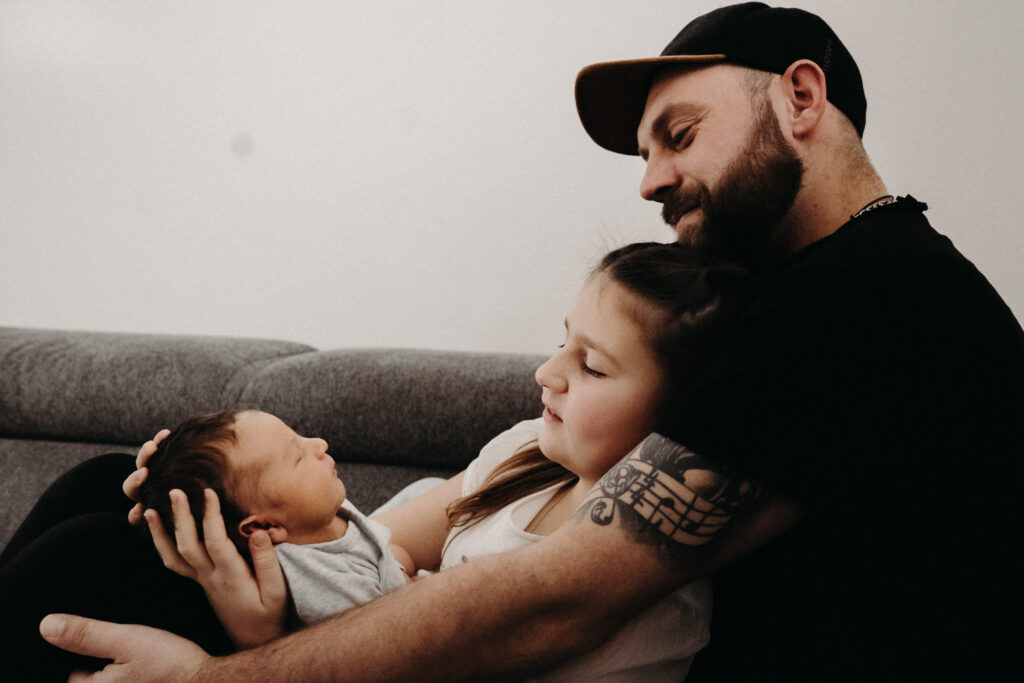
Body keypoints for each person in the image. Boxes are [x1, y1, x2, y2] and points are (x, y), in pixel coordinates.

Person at [29, 2, 1024, 680]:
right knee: (104, 486)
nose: (647, 182)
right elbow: (442, 525)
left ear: (800, 99)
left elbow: (557, 595)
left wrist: (226, 676)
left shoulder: (869, 296)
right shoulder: (822, 291)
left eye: (677, 135)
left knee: (95, 555)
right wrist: (219, 472)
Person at [4, 242, 753, 681]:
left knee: (93, 551)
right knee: (109, 481)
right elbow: (370, 541)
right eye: (562, 340)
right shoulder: (526, 451)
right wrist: (213, 496)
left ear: (678, 418)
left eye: (590, 365)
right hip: (311, 634)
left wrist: (252, 644)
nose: (546, 372)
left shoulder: (645, 601)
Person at [138, 409, 414, 633]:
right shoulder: (326, 584)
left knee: (426, 486)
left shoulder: (314, 511)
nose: (319, 444)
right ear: (264, 527)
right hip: (407, 606)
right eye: (297, 457)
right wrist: (407, 578)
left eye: (299, 436)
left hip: (393, 563)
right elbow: (394, 634)